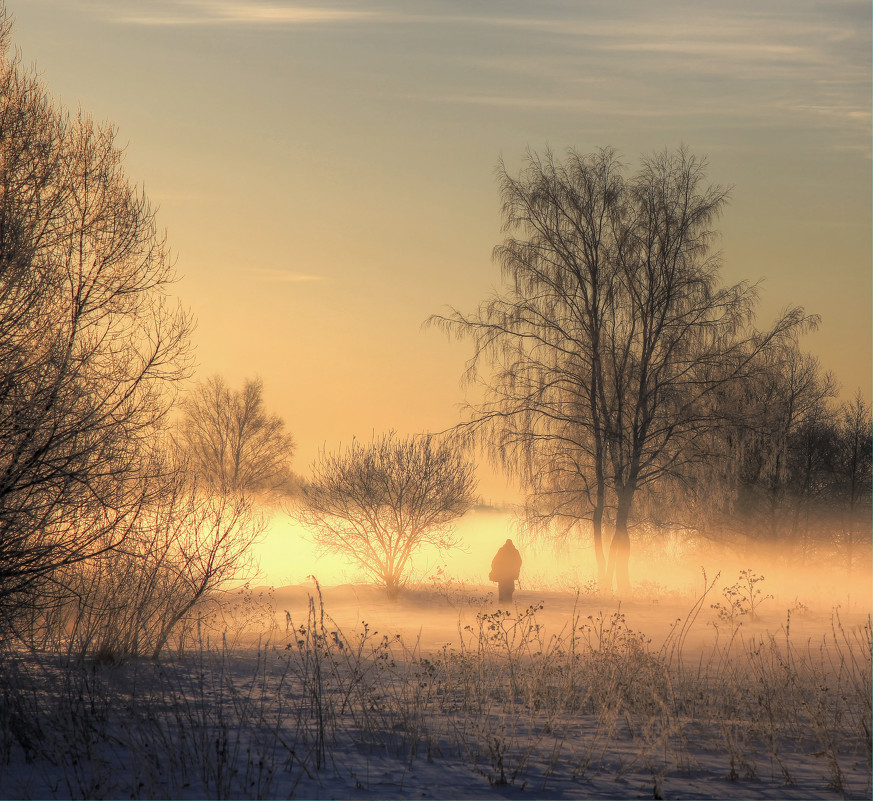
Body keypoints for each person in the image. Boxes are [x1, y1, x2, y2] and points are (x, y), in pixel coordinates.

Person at [489, 539, 522, 603]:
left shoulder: (501, 550)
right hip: (510, 576)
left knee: (502, 591)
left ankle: (502, 604)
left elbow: (495, 562)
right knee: (509, 591)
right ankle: (508, 604)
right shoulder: (515, 551)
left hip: (502, 576)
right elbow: (519, 562)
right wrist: (515, 570)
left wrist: (495, 570)